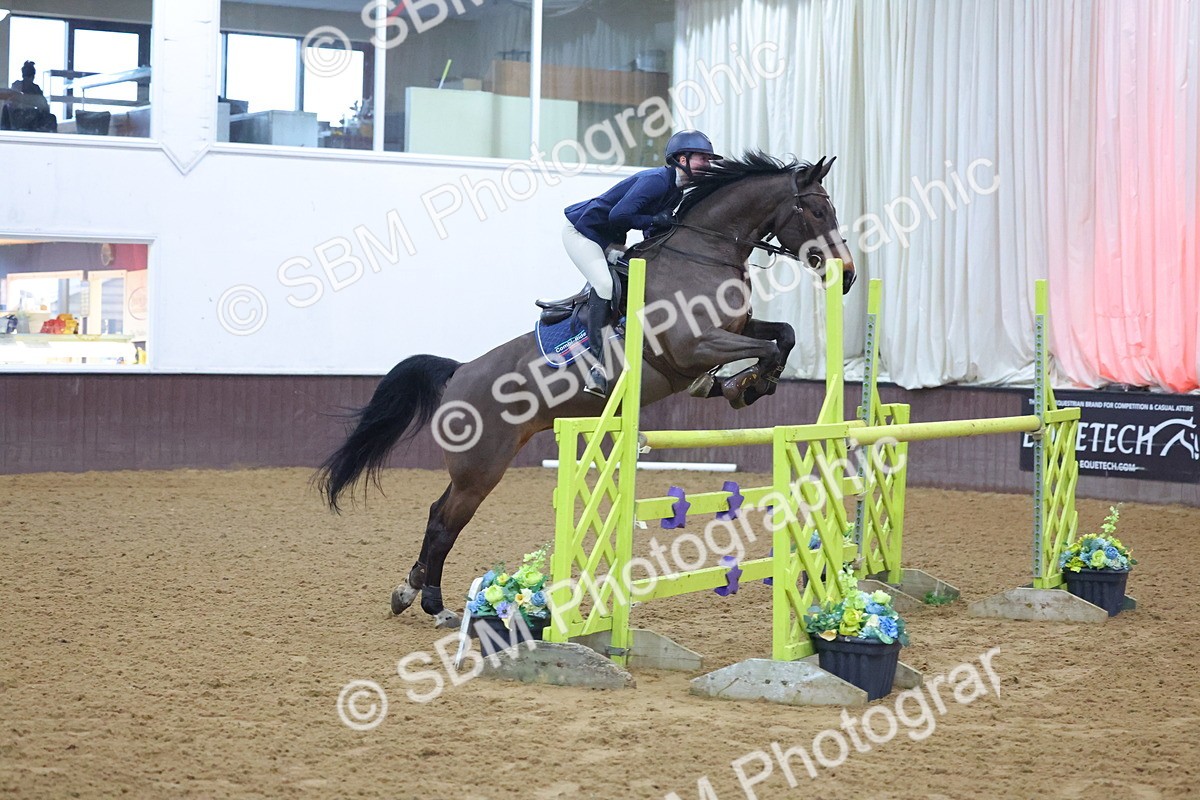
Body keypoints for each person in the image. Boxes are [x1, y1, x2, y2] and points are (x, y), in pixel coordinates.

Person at [562, 129, 722, 396]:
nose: (707, 165)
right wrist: (653, 221)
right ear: (681, 159)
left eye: (708, 160)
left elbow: (648, 229)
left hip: (610, 237)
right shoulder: (657, 181)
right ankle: (596, 367)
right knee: (603, 284)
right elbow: (619, 215)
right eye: (702, 159)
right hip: (583, 233)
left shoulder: (675, 191)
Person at [2, 61, 55, 132]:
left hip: (29, 121)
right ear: (33, 76)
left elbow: (44, 106)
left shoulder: (35, 88)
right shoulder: (18, 86)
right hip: (19, 121)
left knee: (51, 118)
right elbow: (11, 105)